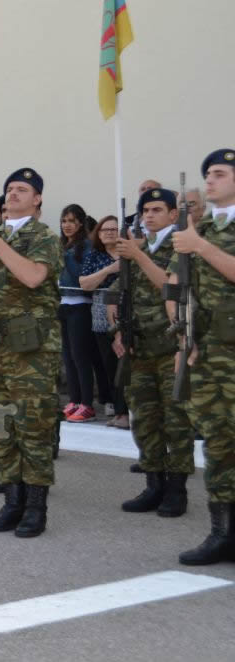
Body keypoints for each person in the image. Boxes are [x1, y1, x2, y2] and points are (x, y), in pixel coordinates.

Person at [0, 168, 62, 538]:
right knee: (0, 427)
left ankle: (35, 508)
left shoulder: (44, 238)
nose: (13, 195)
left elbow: (33, 277)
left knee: (33, 428)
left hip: (32, 350)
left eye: (22, 190)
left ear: (38, 198)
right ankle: (12, 501)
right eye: (9, 189)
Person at [108, 187, 194, 517]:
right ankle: (153, 484)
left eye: (157, 210)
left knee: (176, 421)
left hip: (172, 346)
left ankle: (177, 489)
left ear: (174, 215)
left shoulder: (182, 246)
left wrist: (138, 255)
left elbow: (168, 286)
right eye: (146, 211)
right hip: (139, 346)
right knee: (144, 420)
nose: (149, 215)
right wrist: (118, 331)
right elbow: (119, 293)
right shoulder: (139, 248)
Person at [168, 149, 235, 565]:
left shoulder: (200, 235)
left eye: (219, 173)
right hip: (208, 352)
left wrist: (200, 246)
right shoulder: (202, 226)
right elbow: (177, 284)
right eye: (207, 174)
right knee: (218, 440)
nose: (208, 181)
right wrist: (183, 332)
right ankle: (223, 532)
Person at [79, 215, 129, 429]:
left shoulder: (129, 253)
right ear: (98, 234)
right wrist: (110, 269)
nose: (110, 232)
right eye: (105, 229)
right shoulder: (94, 256)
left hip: (129, 306)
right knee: (110, 363)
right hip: (101, 310)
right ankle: (120, 411)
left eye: (114, 229)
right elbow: (85, 284)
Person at [58, 204, 105, 423]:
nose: (67, 225)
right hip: (63, 303)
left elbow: (81, 275)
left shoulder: (85, 246)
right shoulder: (63, 244)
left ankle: (87, 403)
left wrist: (64, 256)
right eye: (64, 221)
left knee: (80, 356)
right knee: (67, 356)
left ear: (80, 223)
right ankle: (74, 399)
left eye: (71, 221)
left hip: (80, 304)